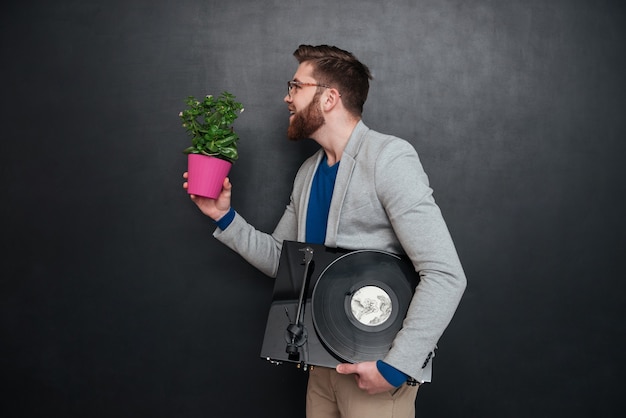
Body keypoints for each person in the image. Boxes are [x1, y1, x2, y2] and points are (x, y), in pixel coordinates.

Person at [183, 44, 466, 418]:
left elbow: (445, 273)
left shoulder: (389, 158)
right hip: (320, 368)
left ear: (329, 97)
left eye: (296, 85)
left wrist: (396, 367)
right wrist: (224, 216)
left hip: (374, 373)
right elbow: (281, 261)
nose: (287, 97)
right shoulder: (309, 173)